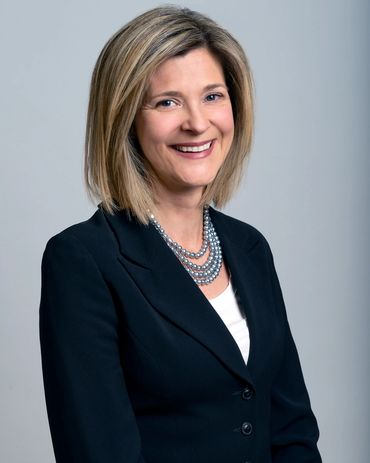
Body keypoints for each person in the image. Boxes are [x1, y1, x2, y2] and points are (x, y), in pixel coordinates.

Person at [39, 6, 322, 463]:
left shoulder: (250, 248)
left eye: (213, 96)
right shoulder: (82, 260)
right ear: (126, 119)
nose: (197, 122)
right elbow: (99, 452)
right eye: (167, 102)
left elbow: (291, 427)